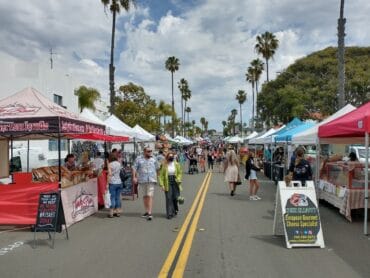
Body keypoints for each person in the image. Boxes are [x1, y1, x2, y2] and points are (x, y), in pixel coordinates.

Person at [132, 147, 160, 221]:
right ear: (144, 152)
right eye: (148, 151)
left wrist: (159, 177)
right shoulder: (139, 158)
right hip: (142, 180)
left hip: (151, 179)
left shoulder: (154, 158)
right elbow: (134, 168)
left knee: (150, 195)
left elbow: (157, 168)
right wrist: (134, 177)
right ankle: (146, 211)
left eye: (151, 151)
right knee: (145, 196)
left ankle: (150, 212)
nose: (150, 152)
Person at [159, 152, 183, 219]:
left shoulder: (177, 164)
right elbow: (161, 176)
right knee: (169, 198)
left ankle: (175, 209)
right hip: (167, 182)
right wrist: (162, 185)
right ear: (167, 157)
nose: (171, 157)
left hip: (175, 181)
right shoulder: (164, 165)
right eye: (170, 156)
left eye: (172, 156)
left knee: (175, 198)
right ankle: (169, 213)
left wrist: (178, 178)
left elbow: (180, 173)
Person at [107, 153, 123, 218]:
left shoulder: (110, 164)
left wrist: (107, 183)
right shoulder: (119, 163)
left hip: (112, 183)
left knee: (112, 198)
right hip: (119, 182)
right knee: (118, 197)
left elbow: (110, 174)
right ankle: (118, 212)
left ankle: (111, 213)